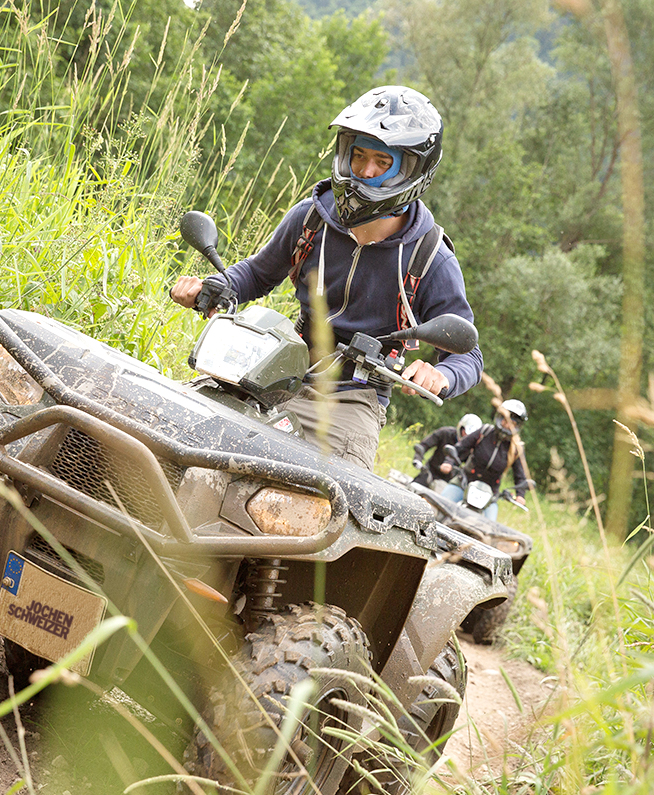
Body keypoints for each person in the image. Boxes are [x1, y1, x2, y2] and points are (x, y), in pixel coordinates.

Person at [170, 85, 483, 470]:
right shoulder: (313, 216)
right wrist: (213, 287)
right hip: (276, 363)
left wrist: (441, 373)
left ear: (412, 169)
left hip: (353, 395)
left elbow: (467, 352)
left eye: (383, 162)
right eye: (359, 155)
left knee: (331, 494)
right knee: (180, 426)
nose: (365, 171)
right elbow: (257, 272)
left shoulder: (429, 256)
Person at [448, 398, 534, 519]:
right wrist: (449, 462)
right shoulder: (484, 432)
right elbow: (459, 448)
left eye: (513, 423)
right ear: (500, 417)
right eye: (506, 420)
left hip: (490, 495)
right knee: (436, 507)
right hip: (464, 482)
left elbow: (520, 475)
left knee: (489, 530)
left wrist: (520, 494)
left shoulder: (516, 448)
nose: (508, 424)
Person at [413, 412, 482, 488]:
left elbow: (472, 468)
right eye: (465, 432)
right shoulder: (445, 433)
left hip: (448, 483)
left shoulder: (471, 450)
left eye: (470, 436)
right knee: (413, 487)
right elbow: (424, 445)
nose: (466, 436)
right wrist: (417, 459)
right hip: (429, 472)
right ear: (460, 427)